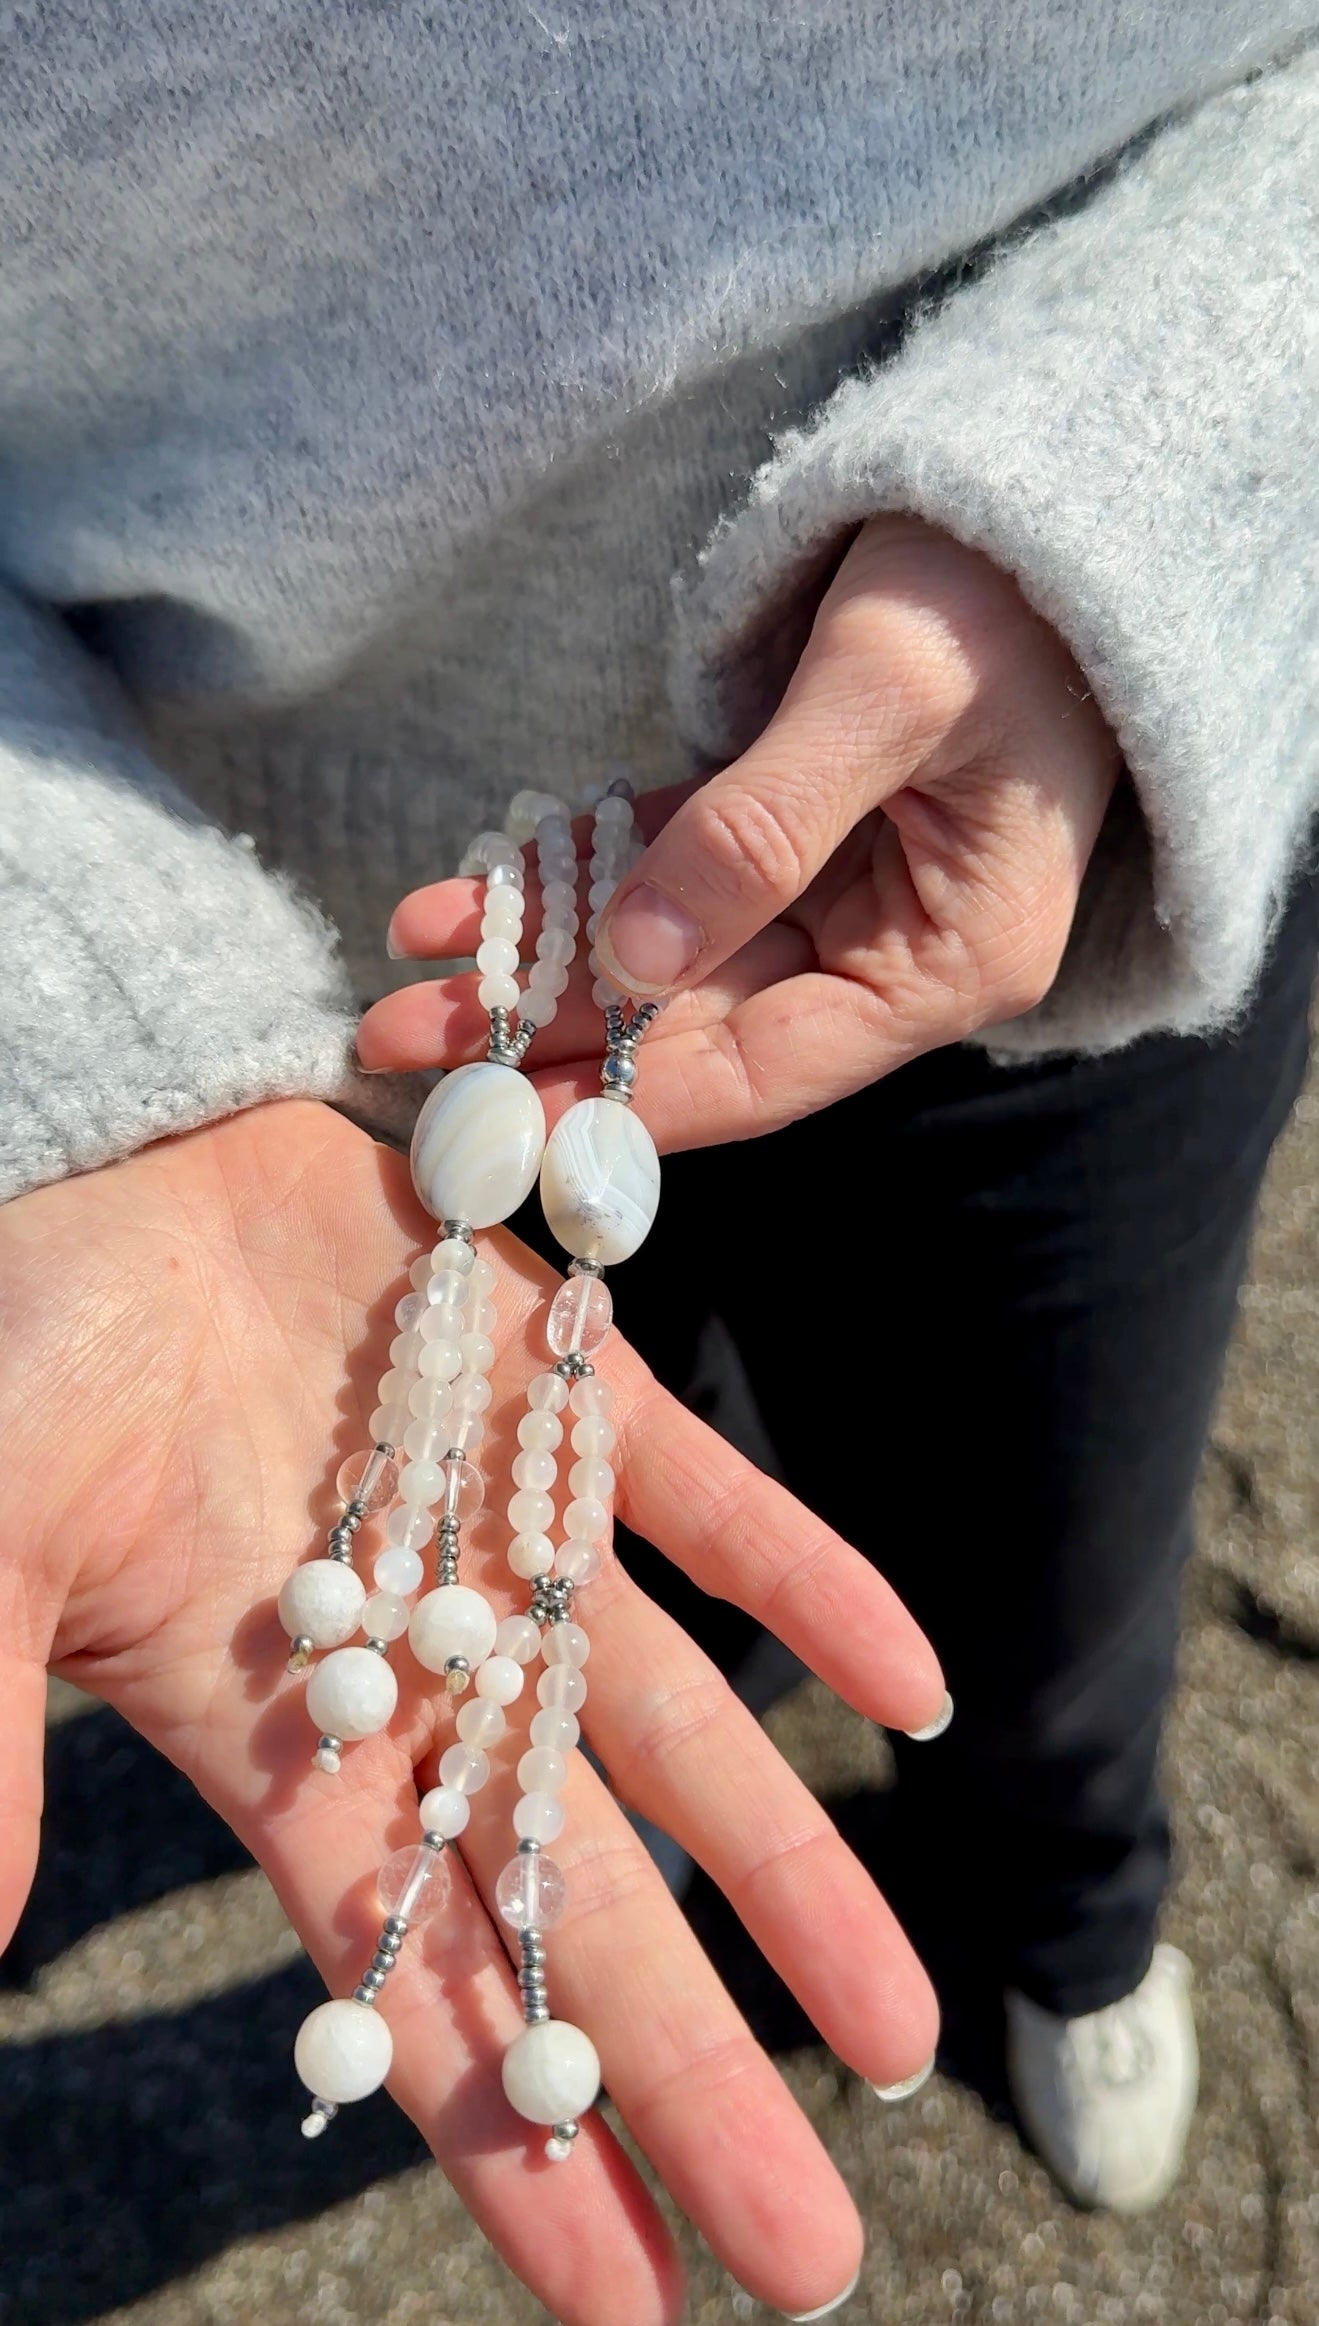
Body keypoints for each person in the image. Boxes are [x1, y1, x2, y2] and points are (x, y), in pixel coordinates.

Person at [0, 9, 1314, 2323]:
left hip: (1047, 867)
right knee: (622, 1471)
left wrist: (1147, 487)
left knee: (1046, 1561)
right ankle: (677, 1687)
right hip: (328, 980)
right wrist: (59, 1000)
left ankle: (1065, 1895)